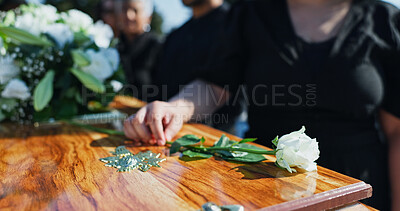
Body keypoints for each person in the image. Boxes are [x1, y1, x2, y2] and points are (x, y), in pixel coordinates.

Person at [123, 0, 400, 209]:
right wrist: (175, 109)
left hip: (360, 193)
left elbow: (396, 132)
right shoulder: (252, 13)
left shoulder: (385, 21)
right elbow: (217, 85)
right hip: (264, 188)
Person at [151, 0, 245, 135]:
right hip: (165, 136)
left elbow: (217, 87)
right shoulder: (175, 36)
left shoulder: (238, 24)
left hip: (216, 143)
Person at [117, 0, 162, 99]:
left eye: (135, 10)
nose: (129, 15)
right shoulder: (113, 49)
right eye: (124, 10)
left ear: (148, 17)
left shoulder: (158, 47)